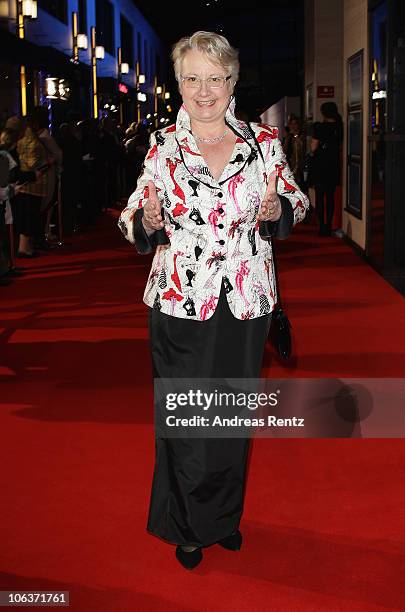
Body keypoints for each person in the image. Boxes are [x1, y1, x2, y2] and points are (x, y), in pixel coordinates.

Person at [118, 31, 309, 570]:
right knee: (188, 422)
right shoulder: (162, 146)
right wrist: (146, 222)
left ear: (232, 82)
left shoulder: (261, 143)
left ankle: (222, 519)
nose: (205, 90)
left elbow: (295, 198)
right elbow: (132, 213)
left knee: (229, 422)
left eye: (216, 78)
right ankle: (186, 525)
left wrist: (278, 211)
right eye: (193, 78)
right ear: (179, 84)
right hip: (181, 302)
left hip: (246, 303)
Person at [310, 101, 343, 236]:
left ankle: (322, 226)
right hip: (333, 164)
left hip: (320, 164)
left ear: (323, 112)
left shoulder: (319, 127)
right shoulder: (340, 126)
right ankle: (329, 224)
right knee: (330, 196)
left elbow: (313, 147)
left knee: (319, 196)